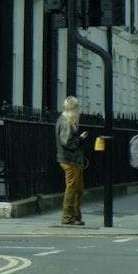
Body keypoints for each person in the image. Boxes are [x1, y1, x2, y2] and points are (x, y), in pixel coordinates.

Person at [55, 96, 88, 226]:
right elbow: (67, 142)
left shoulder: (67, 120)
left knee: (78, 188)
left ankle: (75, 215)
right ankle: (68, 216)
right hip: (70, 160)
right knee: (72, 188)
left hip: (74, 160)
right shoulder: (65, 121)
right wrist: (80, 138)